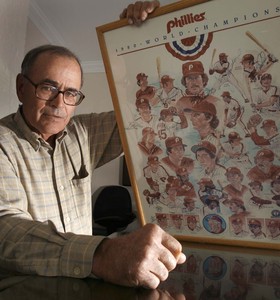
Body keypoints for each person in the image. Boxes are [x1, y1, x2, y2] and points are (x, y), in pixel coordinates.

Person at [0, 44, 186, 289]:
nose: (59, 103)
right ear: (21, 87)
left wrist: (140, 34)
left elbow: (145, 111)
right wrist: (102, 254)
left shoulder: (83, 133)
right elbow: (6, 230)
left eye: (71, 93)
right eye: (48, 88)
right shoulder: (3, 144)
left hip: (85, 289)